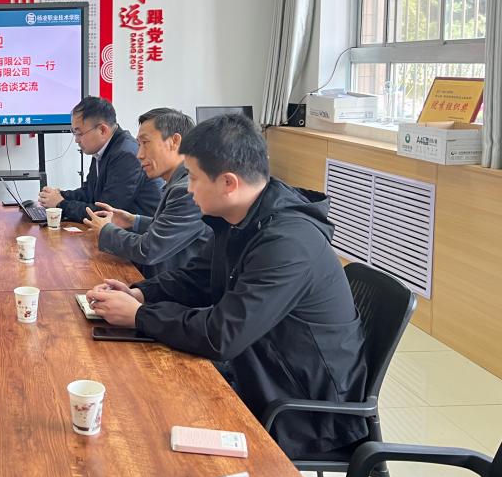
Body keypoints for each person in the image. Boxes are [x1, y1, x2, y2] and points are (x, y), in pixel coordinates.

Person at [86, 114, 368, 458]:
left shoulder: (288, 242)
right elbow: (198, 277)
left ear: (228, 183)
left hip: (301, 409)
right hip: (257, 368)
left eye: (194, 178)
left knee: (144, 419)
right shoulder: (241, 218)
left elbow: (222, 335)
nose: (188, 189)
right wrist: (141, 293)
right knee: (135, 386)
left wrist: (140, 316)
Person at [82, 108, 210, 279]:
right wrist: (132, 220)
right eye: (139, 144)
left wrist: (106, 230)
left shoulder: (187, 190)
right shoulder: (178, 183)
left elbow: (149, 249)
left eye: (146, 143)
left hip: (175, 289)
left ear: (175, 141)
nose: (139, 155)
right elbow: (167, 228)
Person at [38, 96, 163, 223]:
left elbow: (105, 214)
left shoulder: (125, 155)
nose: (76, 140)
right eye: (74, 133)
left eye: (79, 133)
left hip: (141, 232)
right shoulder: (103, 148)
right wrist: (59, 195)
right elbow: (89, 192)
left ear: (102, 130)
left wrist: (60, 204)